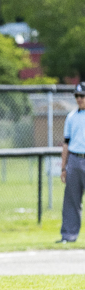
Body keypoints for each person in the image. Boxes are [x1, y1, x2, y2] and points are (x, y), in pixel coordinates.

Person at [59, 83, 85, 243]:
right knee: (71, 200)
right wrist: (64, 167)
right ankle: (68, 236)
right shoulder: (71, 117)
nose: (79, 99)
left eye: (82, 96)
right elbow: (66, 143)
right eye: (77, 96)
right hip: (75, 160)